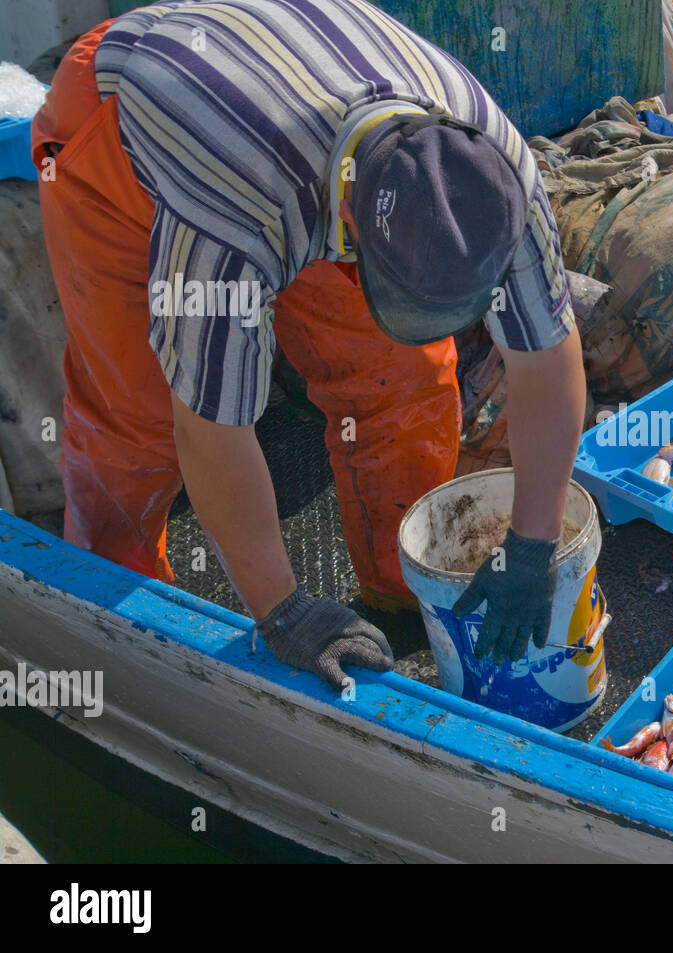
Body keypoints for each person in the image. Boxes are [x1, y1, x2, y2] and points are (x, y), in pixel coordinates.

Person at [31, 0, 587, 691]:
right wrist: (281, 609)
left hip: (305, 115)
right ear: (351, 222)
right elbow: (208, 429)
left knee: (402, 376)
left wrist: (533, 543)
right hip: (122, 127)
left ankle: (403, 583)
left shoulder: (497, 172)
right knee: (137, 417)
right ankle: (118, 628)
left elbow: (545, 358)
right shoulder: (236, 216)